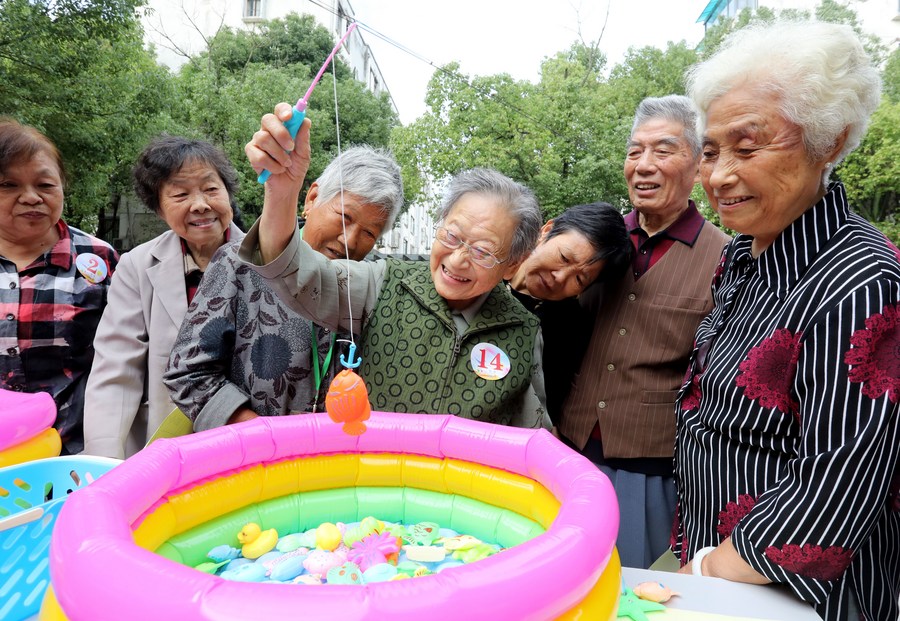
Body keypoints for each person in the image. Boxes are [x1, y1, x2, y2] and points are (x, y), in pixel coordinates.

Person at [672, 21, 897, 621]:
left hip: (789, 598)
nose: (719, 176)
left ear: (829, 141)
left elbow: (839, 486)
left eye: (747, 148)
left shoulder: (861, 282)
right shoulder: (742, 257)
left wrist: (704, 571)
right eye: (712, 152)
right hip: (716, 570)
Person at [237, 103, 549, 429]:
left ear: (512, 264)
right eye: (452, 236)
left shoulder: (522, 330)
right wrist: (282, 192)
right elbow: (293, 272)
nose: (457, 260)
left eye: (483, 252)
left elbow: (533, 435)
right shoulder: (384, 282)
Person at [559, 95, 731, 568]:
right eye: (635, 151)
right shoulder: (595, 241)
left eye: (664, 150)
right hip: (567, 450)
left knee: (631, 591)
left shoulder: (725, 258)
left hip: (651, 469)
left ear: (699, 164)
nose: (644, 165)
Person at [163, 146, 404, 431]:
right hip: (252, 462)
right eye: (344, 217)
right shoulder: (239, 263)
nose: (350, 241)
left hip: (337, 466)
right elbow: (189, 372)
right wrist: (265, 439)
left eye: (368, 233)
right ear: (312, 198)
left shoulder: (376, 288)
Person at [83, 136, 244, 459]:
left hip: (241, 443)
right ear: (159, 208)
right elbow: (115, 373)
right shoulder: (137, 267)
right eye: (181, 194)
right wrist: (102, 465)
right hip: (163, 451)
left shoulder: (266, 260)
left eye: (211, 189)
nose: (200, 204)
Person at [0, 119, 118, 455]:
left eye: (45, 185)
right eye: (9, 185)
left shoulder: (99, 259)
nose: (31, 197)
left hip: (74, 455)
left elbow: (126, 356)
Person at [507, 201, 631, 426]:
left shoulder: (569, 328)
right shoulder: (483, 276)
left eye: (579, 279)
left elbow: (548, 404)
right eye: (564, 257)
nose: (560, 277)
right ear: (546, 231)